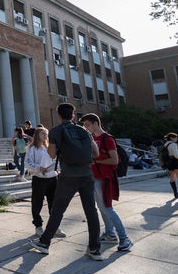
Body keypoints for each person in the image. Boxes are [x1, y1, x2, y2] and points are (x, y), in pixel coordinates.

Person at [30, 103, 102, 260]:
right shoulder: (84, 130)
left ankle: (44, 242)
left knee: (58, 209)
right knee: (91, 211)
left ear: (59, 116)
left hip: (68, 176)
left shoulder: (56, 131)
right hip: (87, 175)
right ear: (73, 116)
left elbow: (52, 154)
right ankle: (95, 249)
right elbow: (95, 153)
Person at [80, 113, 133, 252]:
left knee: (107, 207)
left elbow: (114, 160)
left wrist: (96, 161)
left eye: (87, 125)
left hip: (105, 178)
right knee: (101, 207)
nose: (86, 128)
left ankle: (125, 238)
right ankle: (110, 233)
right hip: (94, 177)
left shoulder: (107, 139)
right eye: (84, 125)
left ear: (96, 123)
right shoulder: (93, 139)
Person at [25, 126, 65, 238]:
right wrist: (38, 168)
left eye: (46, 133)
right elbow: (28, 163)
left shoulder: (50, 147)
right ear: (37, 135)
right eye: (43, 133)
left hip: (52, 178)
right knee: (37, 203)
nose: (45, 136)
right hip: (39, 179)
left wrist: (58, 170)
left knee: (54, 203)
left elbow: (56, 161)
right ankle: (38, 226)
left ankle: (55, 226)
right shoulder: (32, 148)